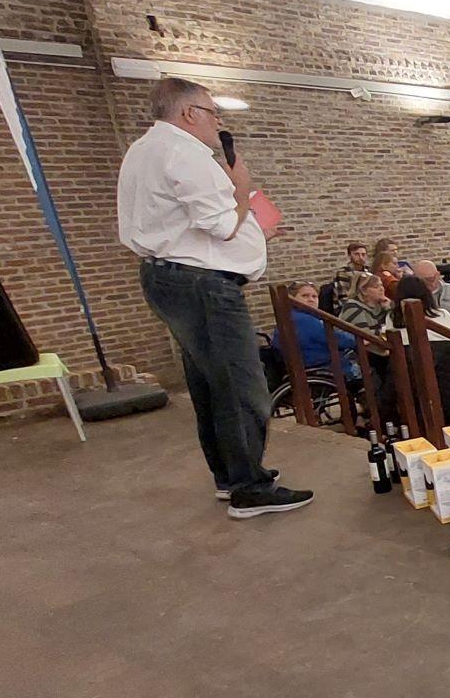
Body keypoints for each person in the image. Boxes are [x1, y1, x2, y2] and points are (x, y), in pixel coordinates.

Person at [119, 86, 312, 511]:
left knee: (210, 383)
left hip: (173, 278)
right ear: (190, 113)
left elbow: (190, 226)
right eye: (213, 111)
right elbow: (221, 225)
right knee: (242, 385)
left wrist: (253, 232)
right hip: (202, 287)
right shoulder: (185, 153)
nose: (219, 121)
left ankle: (231, 475)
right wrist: (241, 188)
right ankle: (249, 488)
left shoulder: (144, 148)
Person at [284, 281, 356, 378]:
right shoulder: (305, 320)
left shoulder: (290, 316)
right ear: (293, 299)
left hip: (311, 365)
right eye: (305, 296)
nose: (311, 300)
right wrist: (356, 339)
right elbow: (338, 339)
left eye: (314, 296)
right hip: (322, 369)